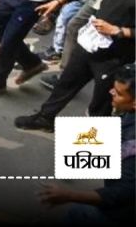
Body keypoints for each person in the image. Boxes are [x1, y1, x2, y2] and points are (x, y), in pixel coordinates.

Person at [14, 0, 135, 130]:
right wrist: (62, 0)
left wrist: (120, 31)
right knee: (67, 81)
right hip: (92, 39)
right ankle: (45, 118)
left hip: (117, 54)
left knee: (102, 105)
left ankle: (92, 151)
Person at [36, 63, 134, 224]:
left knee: (79, 214)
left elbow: (123, 193)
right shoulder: (129, 117)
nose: (111, 92)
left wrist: (69, 196)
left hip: (122, 212)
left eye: (118, 93)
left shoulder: (132, 147)